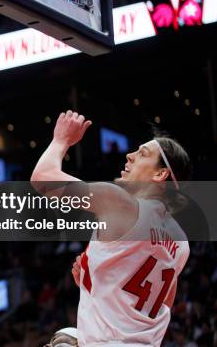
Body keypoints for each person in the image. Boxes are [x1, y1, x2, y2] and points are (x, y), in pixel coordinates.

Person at [32, 111, 190, 346]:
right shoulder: (181, 240)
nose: (129, 155)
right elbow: (163, 303)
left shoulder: (122, 203)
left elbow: (43, 178)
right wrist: (100, 279)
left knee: (63, 340)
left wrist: (61, 140)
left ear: (160, 174)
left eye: (142, 153)